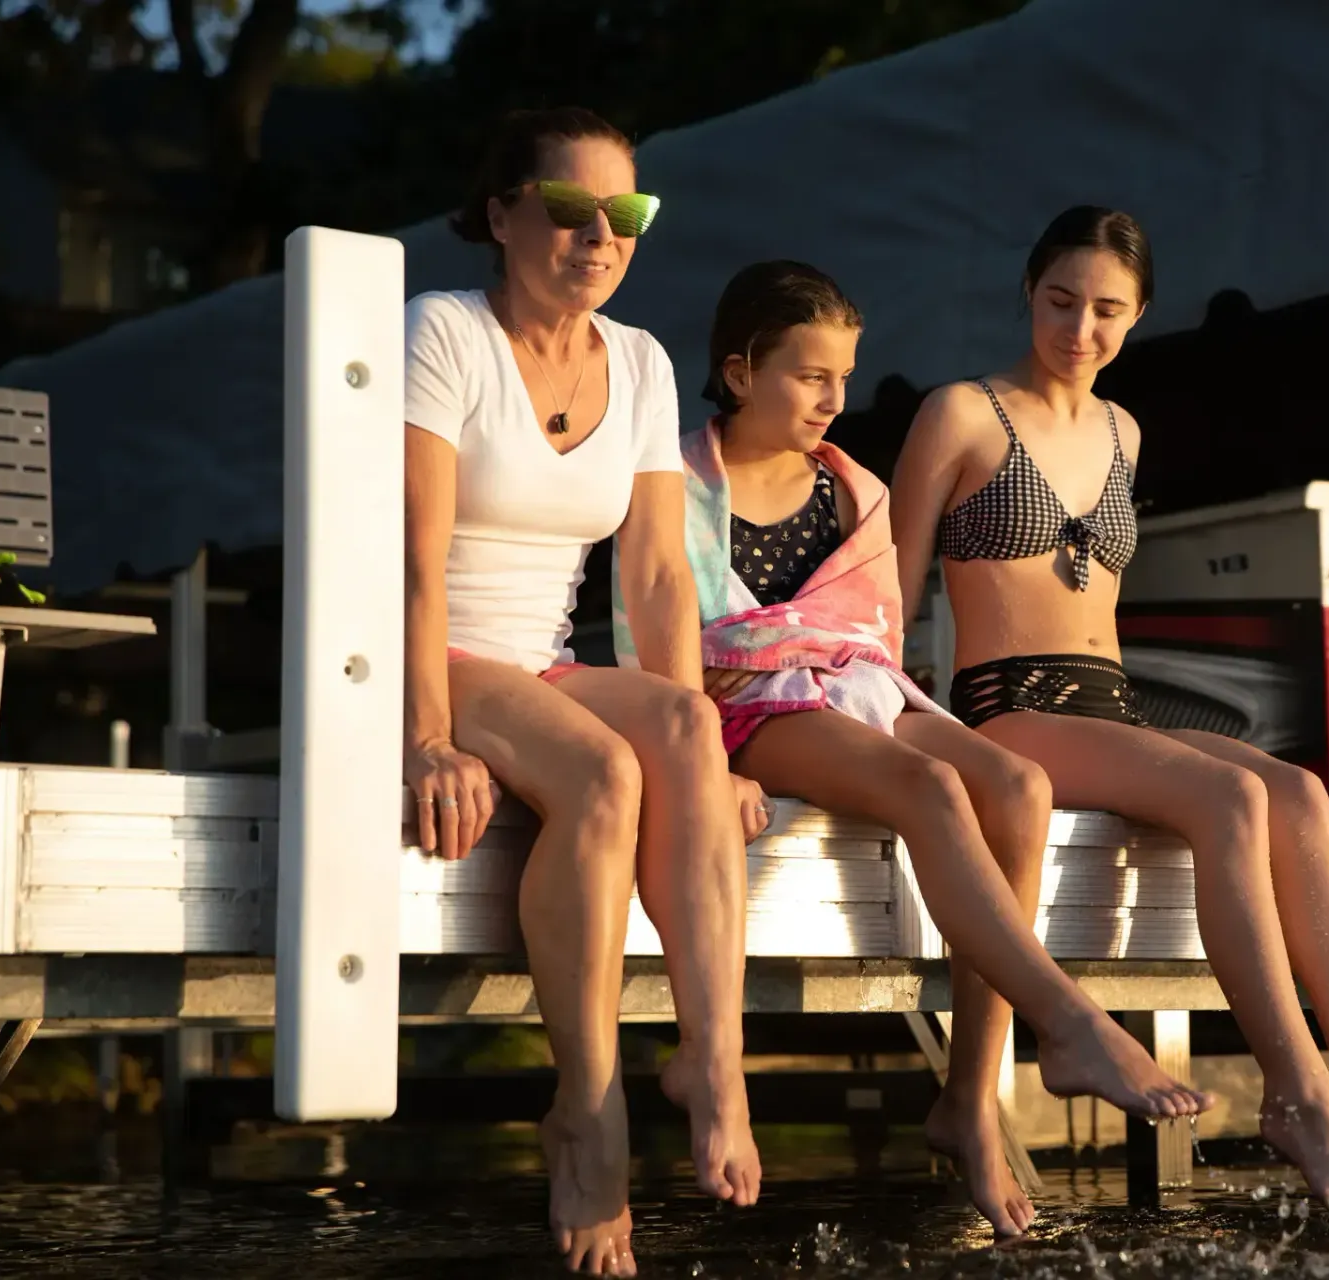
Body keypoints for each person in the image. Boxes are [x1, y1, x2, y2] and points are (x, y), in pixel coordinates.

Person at [611, 260, 1212, 1236]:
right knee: (930, 785)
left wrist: (867, 695)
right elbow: (657, 635)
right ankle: (1068, 1019)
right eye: (809, 376)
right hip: (739, 699)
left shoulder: (854, 489)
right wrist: (704, 766)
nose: (834, 400)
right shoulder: (674, 482)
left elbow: (872, 638)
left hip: (852, 686)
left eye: (843, 376)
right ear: (737, 371)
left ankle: (969, 1096)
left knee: (1014, 783)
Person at [890, 207, 1329, 1234]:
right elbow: (885, 592)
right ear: (1030, 291)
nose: (1080, 327)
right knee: (1230, 791)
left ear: (1140, 313)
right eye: (1062, 300)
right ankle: (1297, 1089)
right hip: (1009, 705)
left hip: (1105, 700)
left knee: (1298, 790)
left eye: (1108, 309)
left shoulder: (1125, 432)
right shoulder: (962, 412)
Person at [404, 107, 769, 1277]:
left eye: (626, 215)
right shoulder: (443, 334)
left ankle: (714, 1063)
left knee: (681, 722)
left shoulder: (647, 361)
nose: (598, 238)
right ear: (504, 213)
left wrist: (700, 768)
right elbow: (407, 562)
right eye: (569, 211)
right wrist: (421, 738)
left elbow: (661, 576)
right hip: (439, 654)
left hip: (543, 661)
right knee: (605, 774)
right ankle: (588, 1104)